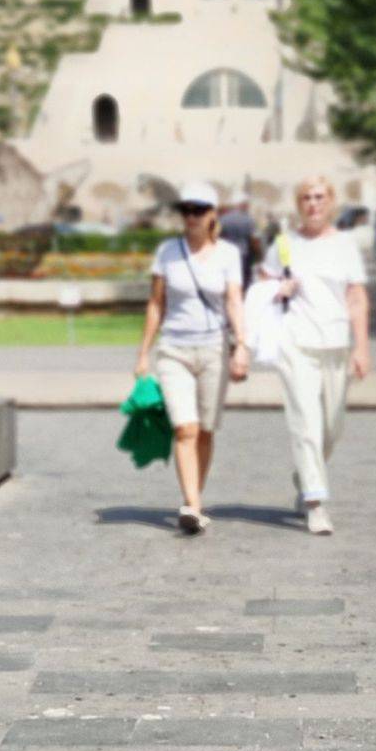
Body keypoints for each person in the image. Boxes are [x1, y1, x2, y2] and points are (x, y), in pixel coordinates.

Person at [134, 180, 249, 533]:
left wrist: (242, 345)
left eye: (199, 210)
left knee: (206, 431)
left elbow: (234, 300)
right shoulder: (168, 252)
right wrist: (143, 353)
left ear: (213, 214)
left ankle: (194, 496)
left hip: (214, 349)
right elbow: (156, 303)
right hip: (174, 350)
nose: (191, 216)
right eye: (186, 210)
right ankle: (192, 505)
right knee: (185, 428)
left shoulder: (228, 254)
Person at [260, 174, 371, 536]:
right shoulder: (284, 244)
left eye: (320, 197)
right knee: (306, 422)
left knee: (331, 427)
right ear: (299, 204)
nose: (313, 204)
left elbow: (356, 298)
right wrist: (278, 288)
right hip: (296, 343)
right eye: (306, 197)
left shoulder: (345, 245)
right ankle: (315, 502)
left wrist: (362, 347)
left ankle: (305, 475)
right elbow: (263, 285)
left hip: (336, 343)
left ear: (331, 202)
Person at [219, 192, 258, 293]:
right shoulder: (248, 219)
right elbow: (253, 240)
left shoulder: (223, 219)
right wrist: (258, 254)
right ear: (242, 205)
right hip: (244, 254)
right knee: (243, 281)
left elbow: (218, 236)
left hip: (226, 254)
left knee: (228, 279)